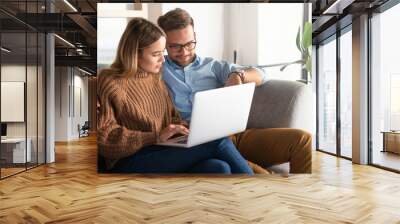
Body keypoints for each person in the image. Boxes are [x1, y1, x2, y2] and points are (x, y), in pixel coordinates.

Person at [158, 8, 312, 173]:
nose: (184, 52)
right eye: (175, 47)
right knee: (238, 169)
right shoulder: (157, 69)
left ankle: (301, 191)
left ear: (195, 37)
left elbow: (261, 74)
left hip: (234, 134)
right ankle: (259, 176)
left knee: (302, 140)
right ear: (164, 44)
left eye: (189, 44)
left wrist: (238, 75)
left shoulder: (213, 66)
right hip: (195, 142)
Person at [97, 17, 254, 174]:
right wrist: (154, 137)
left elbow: (171, 118)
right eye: (156, 54)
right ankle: (257, 188)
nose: (162, 60)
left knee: (219, 168)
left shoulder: (154, 77)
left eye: (162, 52)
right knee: (217, 140)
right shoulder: (110, 80)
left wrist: (185, 129)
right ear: (135, 54)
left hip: (161, 151)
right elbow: (104, 137)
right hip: (128, 161)